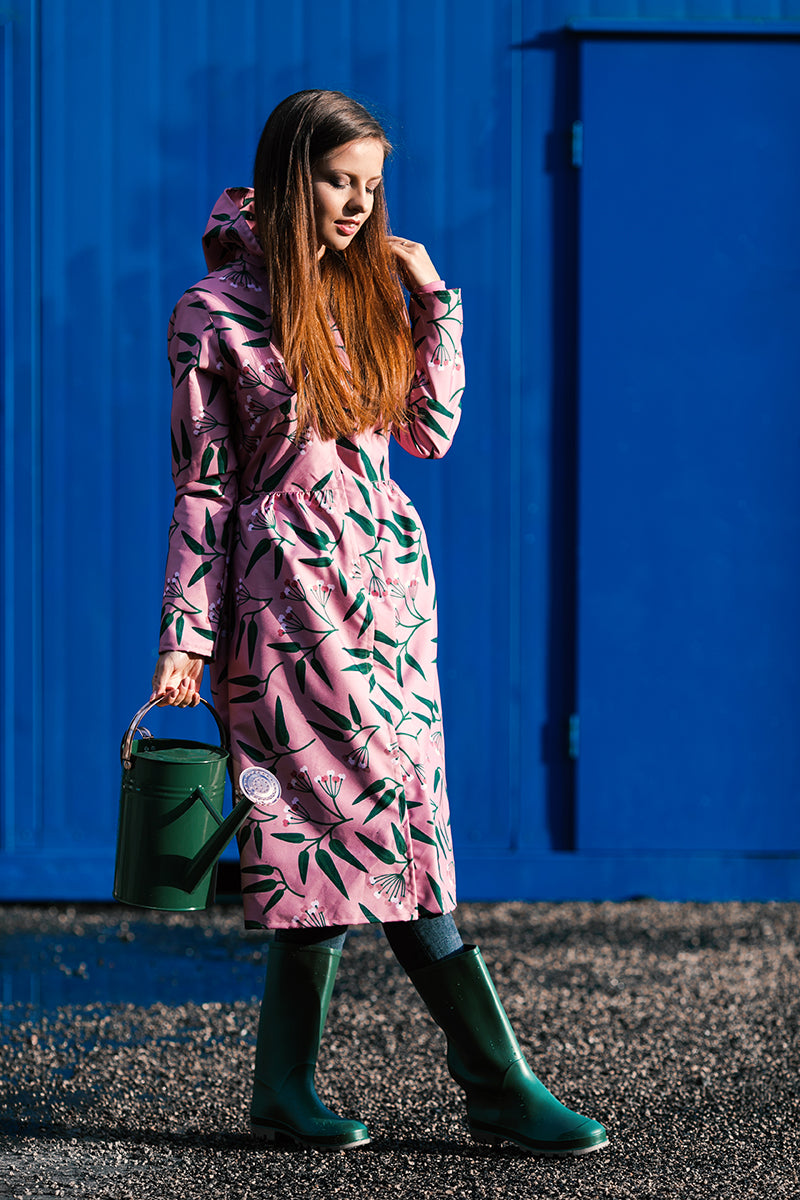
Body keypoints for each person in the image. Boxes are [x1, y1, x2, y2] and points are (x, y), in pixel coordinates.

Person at [150, 89, 607, 1157]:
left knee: (361, 832)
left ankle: (287, 1093)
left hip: (389, 612)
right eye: (334, 180)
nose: (356, 204)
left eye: (369, 184)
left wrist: (429, 295)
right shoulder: (211, 312)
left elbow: (431, 431)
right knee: (348, 831)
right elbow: (203, 486)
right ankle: (492, 1080)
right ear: (282, 176)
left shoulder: (367, 293)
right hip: (281, 616)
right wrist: (187, 632)